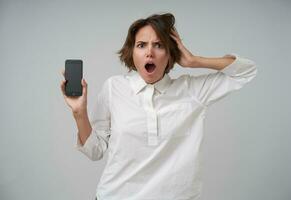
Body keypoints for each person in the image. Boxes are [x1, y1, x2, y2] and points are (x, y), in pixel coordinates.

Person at [60, 13, 257, 200]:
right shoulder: (114, 88)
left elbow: (246, 71)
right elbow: (95, 151)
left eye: (159, 45)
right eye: (141, 45)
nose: (149, 52)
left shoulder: (192, 91)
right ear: (132, 52)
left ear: (171, 53)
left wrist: (194, 61)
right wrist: (79, 113)